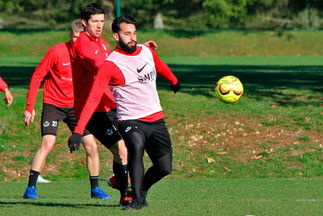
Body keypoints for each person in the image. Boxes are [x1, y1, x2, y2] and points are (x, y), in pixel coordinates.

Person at [68, 15, 181, 210]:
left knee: (165, 167)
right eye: (127, 33)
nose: (132, 37)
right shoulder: (111, 64)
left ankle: (141, 190)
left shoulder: (146, 51)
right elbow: (93, 98)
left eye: (134, 33)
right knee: (135, 147)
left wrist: (173, 80)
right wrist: (78, 131)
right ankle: (136, 200)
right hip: (130, 119)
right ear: (116, 36)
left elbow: (159, 66)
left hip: (156, 117)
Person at [22, 19, 111, 200]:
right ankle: (30, 188)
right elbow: (37, 76)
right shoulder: (57, 51)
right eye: (75, 38)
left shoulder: (89, 55)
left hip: (77, 107)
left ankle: (95, 189)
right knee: (48, 143)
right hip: (53, 104)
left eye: (82, 38)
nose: (78, 42)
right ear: (70, 35)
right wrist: (29, 107)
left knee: (92, 147)